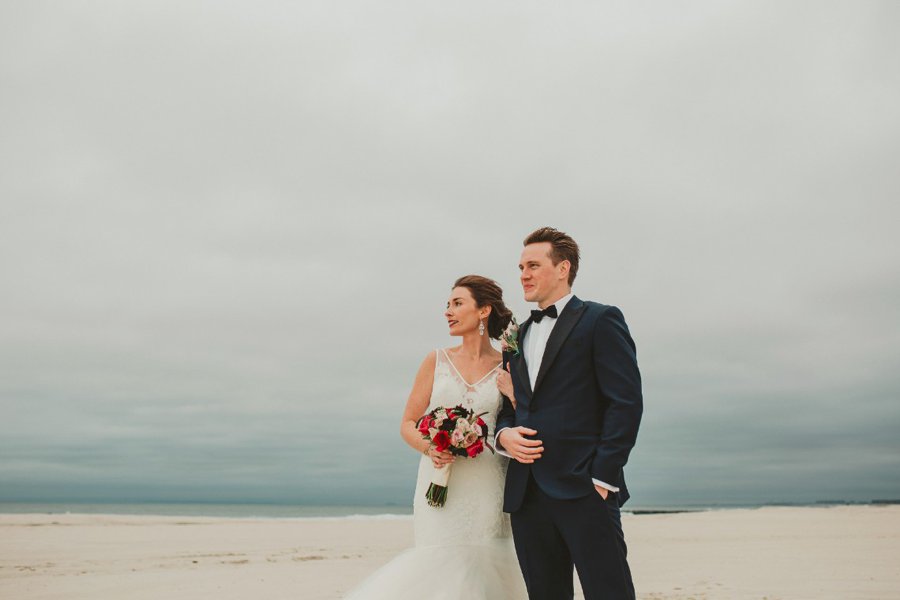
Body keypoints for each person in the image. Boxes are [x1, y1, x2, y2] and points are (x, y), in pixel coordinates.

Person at [345, 275, 527, 599]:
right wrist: (431, 447)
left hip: (488, 484)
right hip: (439, 483)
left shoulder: (507, 362)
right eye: (448, 304)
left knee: (485, 568)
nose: (448, 311)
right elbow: (407, 423)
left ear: (484, 310)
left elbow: (521, 414)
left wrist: (513, 395)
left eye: (458, 303)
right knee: (436, 566)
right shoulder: (436, 360)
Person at [495, 227, 643, 600]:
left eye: (533, 265)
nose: (523, 275)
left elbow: (625, 403)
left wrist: (603, 478)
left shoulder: (600, 319)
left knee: (609, 593)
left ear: (563, 268)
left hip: (585, 488)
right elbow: (509, 408)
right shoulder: (516, 335)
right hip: (527, 494)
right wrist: (503, 436)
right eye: (520, 267)